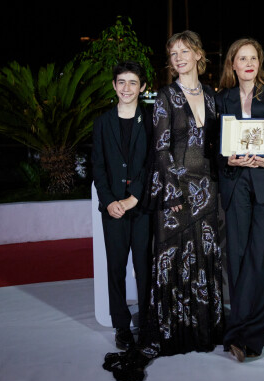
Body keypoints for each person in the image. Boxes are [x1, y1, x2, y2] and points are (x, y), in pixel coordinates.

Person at [142, 30, 224, 357]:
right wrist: (172, 194)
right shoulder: (165, 96)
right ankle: (172, 334)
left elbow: (217, 144)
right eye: (173, 53)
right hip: (176, 193)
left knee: (204, 258)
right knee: (172, 258)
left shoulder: (212, 94)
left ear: (198, 55)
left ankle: (203, 332)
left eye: (184, 51)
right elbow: (160, 150)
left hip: (208, 189)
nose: (178, 58)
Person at [216, 38, 264, 362]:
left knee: (260, 259)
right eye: (242, 58)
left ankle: (249, 337)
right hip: (236, 185)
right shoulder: (223, 99)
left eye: (253, 58)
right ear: (233, 64)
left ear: (259, 63)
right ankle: (241, 332)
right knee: (236, 257)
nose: (248, 63)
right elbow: (214, 145)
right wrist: (228, 160)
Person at [92, 61, 153, 350]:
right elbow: (98, 166)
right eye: (121, 82)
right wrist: (109, 202)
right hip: (113, 209)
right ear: (114, 86)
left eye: (133, 82)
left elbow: (153, 164)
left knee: (144, 266)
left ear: (142, 87)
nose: (127, 88)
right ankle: (121, 325)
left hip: (140, 208)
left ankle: (147, 323)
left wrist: (134, 198)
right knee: (115, 268)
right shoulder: (102, 122)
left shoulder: (151, 119)